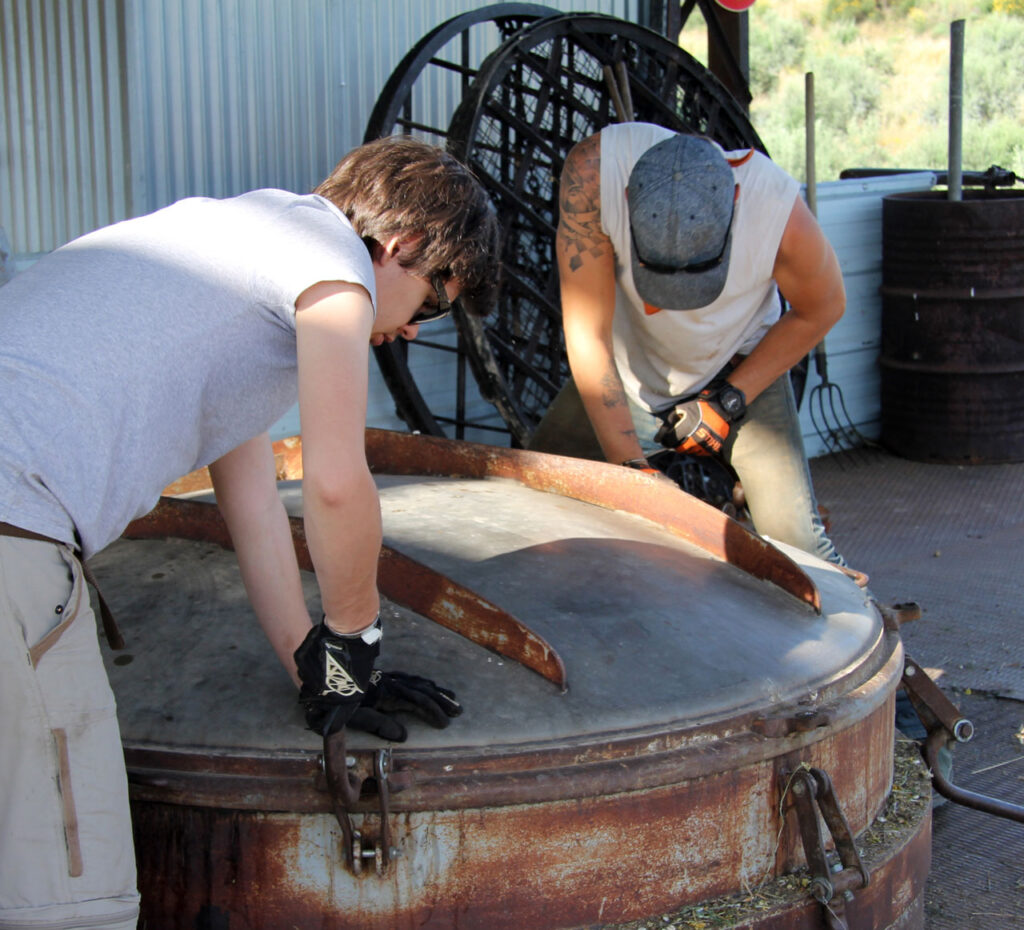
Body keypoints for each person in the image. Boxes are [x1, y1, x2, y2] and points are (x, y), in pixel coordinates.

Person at [0, 136, 498, 930]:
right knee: (66, 898)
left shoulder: (226, 248)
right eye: (434, 301)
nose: (411, 330)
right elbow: (337, 484)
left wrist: (315, 668)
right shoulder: (331, 261)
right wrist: (356, 643)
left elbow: (257, 512)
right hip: (12, 528)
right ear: (401, 246)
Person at [554, 122, 846, 565]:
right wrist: (632, 472)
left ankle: (865, 622)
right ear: (629, 199)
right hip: (627, 369)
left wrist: (729, 400)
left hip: (739, 364)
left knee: (800, 549)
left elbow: (822, 308)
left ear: (734, 200)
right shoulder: (594, 177)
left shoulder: (777, 212)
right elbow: (586, 333)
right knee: (542, 501)